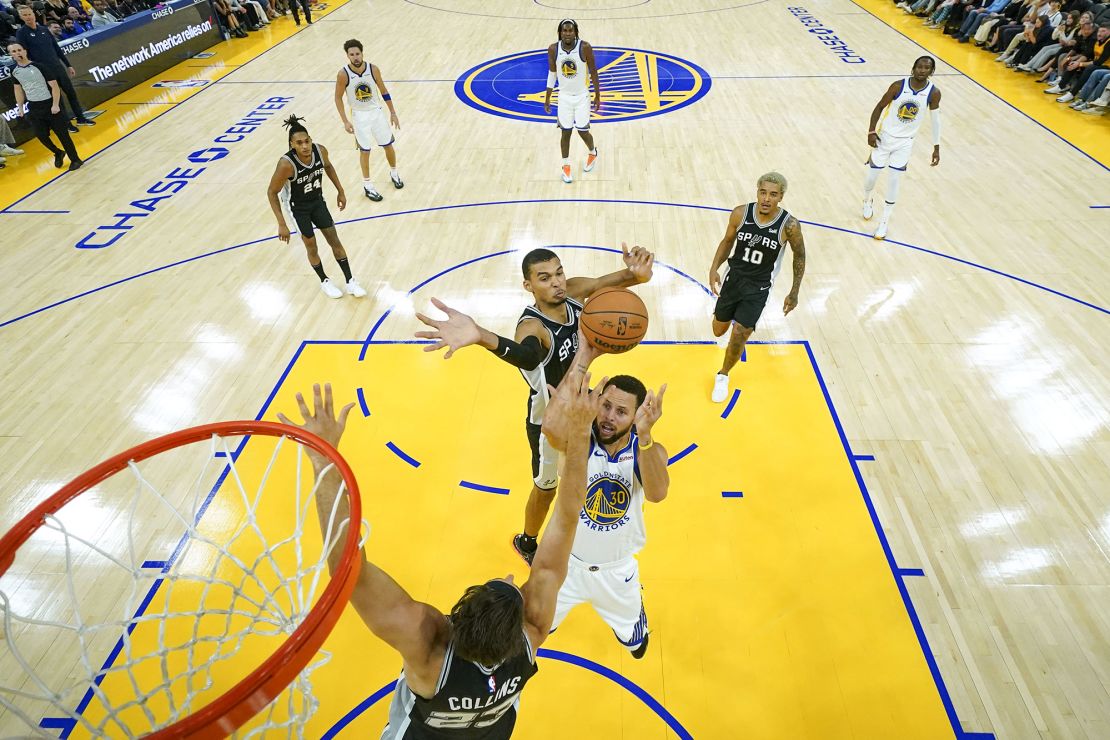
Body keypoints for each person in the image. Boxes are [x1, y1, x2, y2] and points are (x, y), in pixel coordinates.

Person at [277, 369, 600, 737]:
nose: (512, 576)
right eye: (512, 583)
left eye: (500, 582)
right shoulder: (535, 630)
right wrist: (579, 436)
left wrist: (325, 461)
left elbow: (349, 570)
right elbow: (568, 517)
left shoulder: (427, 645)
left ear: (454, 619)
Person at [413, 245, 654, 566]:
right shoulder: (533, 327)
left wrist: (635, 275)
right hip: (548, 420)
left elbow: (605, 284)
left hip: (582, 406)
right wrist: (481, 335)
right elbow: (525, 354)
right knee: (547, 488)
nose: (556, 282)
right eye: (544, 278)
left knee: (594, 471)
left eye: (559, 273)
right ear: (529, 286)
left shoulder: (572, 293)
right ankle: (527, 541)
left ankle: (594, 529)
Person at [537, 352, 669, 659]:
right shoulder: (579, 438)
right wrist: (585, 352)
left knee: (637, 647)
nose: (609, 416)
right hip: (564, 565)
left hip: (616, 572)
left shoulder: (646, 450)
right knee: (535, 629)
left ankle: (633, 614)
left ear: (636, 417)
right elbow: (551, 429)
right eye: (605, 405)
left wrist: (646, 435)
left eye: (621, 411)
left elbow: (657, 493)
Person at [708, 172, 806, 403]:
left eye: (773, 195)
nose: (766, 199)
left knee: (740, 334)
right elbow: (727, 241)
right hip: (733, 280)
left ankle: (723, 375)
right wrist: (714, 268)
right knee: (718, 330)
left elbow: (799, 256)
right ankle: (728, 325)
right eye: (763, 192)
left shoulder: (789, 225)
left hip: (759, 288)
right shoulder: (741, 213)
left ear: (780, 197)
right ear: (757, 192)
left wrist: (794, 292)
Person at [266, 115, 366, 299]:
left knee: (334, 239)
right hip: (297, 208)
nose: (304, 146)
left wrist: (340, 191)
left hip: (317, 201)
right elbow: (272, 192)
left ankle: (350, 281)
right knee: (311, 245)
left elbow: (328, 167)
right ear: (292, 145)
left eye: (307, 141)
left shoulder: (320, 151)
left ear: (311, 140)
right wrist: (281, 223)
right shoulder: (286, 165)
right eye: (299, 143)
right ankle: (324, 281)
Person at [862, 56, 941, 240]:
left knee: (894, 180)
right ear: (913, 68)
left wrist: (936, 146)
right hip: (884, 138)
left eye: (926, 68)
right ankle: (867, 200)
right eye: (919, 67)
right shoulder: (898, 86)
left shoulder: (933, 93)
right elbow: (879, 107)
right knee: (871, 178)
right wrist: (871, 131)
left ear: (931, 71)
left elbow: (936, 120)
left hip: (905, 142)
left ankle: (884, 221)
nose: (922, 70)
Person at [333, 38, 402, 202]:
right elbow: (337, 98)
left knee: (388, 145)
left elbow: (384, 91)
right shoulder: (343, 74)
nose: (355, 57)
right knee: (365, 151)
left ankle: (394, 172)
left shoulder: (373, 69)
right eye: (352, 55)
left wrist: (392, 112)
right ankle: (368, 185)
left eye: (357, 53)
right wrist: (345, 121)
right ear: (347, 56)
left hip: (376, 112)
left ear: (362, 53)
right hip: (359, 116)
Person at [14, 4, 93, 129]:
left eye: (29, 14)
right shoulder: (21, 33)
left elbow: (56, 48)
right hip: (44, 72)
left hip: (57, 67)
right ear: (21, 17)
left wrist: (68, 65)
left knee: (71, 93)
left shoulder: (44, 29)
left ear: (33, 14)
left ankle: (81, 118)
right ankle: (67, 124)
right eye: (24, 15)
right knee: (58, 98)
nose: (28, 17)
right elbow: (24, 55)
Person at [7, 39, 82, 170]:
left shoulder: (39, 67)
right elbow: (18, 90)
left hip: (50, 104)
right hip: (34, 107)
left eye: (19, 50)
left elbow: (54, 86)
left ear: (25, 51)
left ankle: (75, 159)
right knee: (41, 135)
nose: (17, 53)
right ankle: (58, 152)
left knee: (63, 135)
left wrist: (55, 104)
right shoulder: (14, 72)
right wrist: (20, 108)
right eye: (14, 51)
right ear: (11, 55)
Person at [543, 19, 600, 184]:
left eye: (570, 30)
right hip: (564, 97)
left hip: (582, 96)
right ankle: (565, 166)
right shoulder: (553, 49)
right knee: (565, 132)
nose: (567, 33)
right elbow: (552, 73)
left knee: (583, 131)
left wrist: (598, 94)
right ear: (560, 32)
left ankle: (592, 152)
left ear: (576, 32)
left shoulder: (585, 47)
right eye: (564, 31)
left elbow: (594, 71)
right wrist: (547, 97)